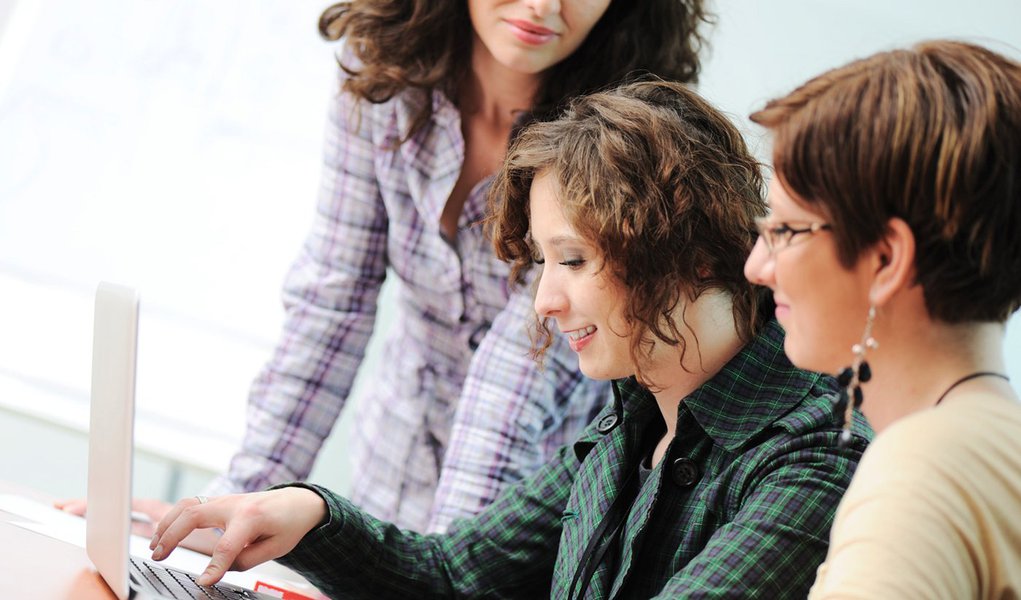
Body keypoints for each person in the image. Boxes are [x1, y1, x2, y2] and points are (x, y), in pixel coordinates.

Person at [149, 80, 868, 598]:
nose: (547, 302)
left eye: (576, 260)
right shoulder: (635, 416)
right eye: (544, 262)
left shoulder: (812, 456)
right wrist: (306, 514)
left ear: (691, 251)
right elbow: (454, 575)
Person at [57, 0, 712, 536]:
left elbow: (519, 369)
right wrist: (224, 513)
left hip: (535, 497)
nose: (543, 7)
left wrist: (448, 572)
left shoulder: (619, 141)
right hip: (392, 458)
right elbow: (332, 301)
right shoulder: (383, 77)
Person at [744, 40, 1021, 598]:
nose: (756, 267)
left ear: (886, 259)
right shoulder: (996, 445)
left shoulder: (919, 474)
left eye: (785, 231)